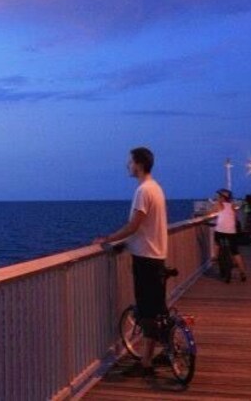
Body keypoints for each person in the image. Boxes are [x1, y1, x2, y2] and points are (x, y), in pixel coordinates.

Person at [93, 147, 168, 377]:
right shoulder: (156, 188)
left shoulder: (143, 191)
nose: (128, 166)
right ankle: (166, 348)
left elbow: (135, 225)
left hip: (146, 259)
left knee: (147, 312)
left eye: (130, 162)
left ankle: (146, 363)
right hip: (157, 255)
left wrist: (108, 239)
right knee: (157, 309)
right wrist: (126, 243)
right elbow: (144, 228)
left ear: (139, 164)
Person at [212, 189, 247, 282]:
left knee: (216, 242)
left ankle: (214, 257)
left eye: (219, 196)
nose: (217, 197)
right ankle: (242, 272)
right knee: (235, 252)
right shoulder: (232, 205)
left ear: (222, 197)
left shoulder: (218, 205)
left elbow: (209, 213)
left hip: (221, 231)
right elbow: (234, 218)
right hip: (232, 231)